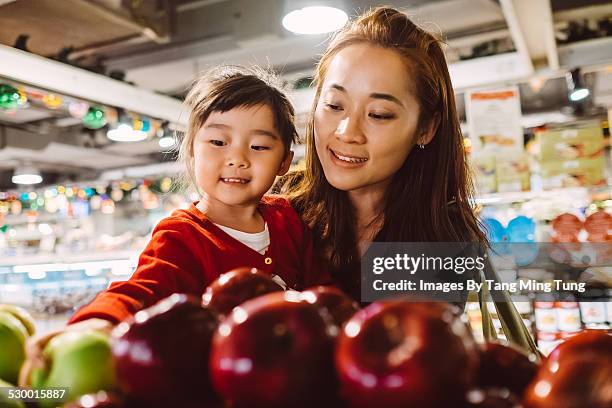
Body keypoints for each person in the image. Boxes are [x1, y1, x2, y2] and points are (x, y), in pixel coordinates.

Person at [19, 66, 328, 385]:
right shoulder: (182, 234)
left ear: (284, 161)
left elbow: (324, 293)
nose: (237, 158)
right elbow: (143, 289)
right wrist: (97, 322)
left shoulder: (289, 219)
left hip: (294, 380)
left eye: (259, 146)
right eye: (219, 141)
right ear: (192, 151)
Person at [278, 6, 487, 301]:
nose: (347, 132)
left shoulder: (444, 239)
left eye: (378, 114)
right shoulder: (275, 208)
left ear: (425, 128)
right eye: (334, 105)